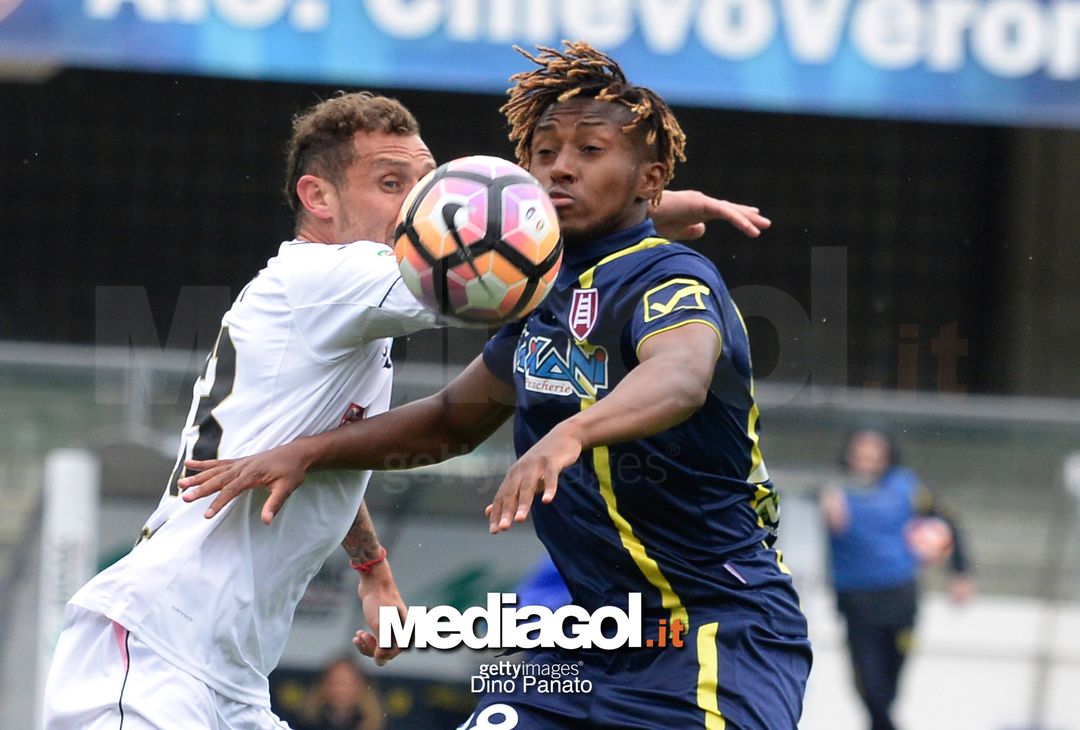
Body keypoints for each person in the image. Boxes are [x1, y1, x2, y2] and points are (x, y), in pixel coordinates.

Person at [42, 87, 769, 728]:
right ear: (318, 199)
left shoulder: (345, 311)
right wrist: (650, 211)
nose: (425, 205)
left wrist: (371, 565)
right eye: (393, 184)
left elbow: (312, 445)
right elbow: (487, 249)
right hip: (151, 651)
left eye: (428, 183)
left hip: (225, 676)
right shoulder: (331, 279)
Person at [820, 426, 973, 730]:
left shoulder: (906, 486)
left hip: (900, 597)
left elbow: (947, 521)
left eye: (874, 452)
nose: (867, 459)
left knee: (891, 683)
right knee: (868, 683)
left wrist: (959, 571)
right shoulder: (834, 488)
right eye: (861, 452)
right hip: (857, 601)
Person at [293, 656, 386, 730]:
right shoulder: (304, 722)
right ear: (323, 685)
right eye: (335, 683)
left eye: (347, 684)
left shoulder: (378, 725)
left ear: (361, 687)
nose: (340, 690)